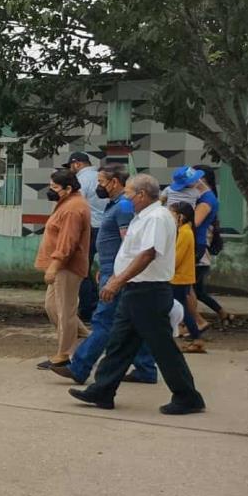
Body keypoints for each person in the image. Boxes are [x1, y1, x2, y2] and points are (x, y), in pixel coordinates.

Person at [69, 174, 206, 415]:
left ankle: (188, 396)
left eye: (129, 194)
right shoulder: (142, 216)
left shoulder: (156, 217)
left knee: (163, 347)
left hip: (148, 291)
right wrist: (116, 276)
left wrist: (117, 281)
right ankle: (103, 390)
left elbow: (148, 254)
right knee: (120, 343)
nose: (127, 198)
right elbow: (132, 252)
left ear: (142, 195)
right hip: (135, 290)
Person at [55, 164, 158, 385]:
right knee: (133, 323)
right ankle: (146, 369)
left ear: (114, 182)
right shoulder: (116, 205)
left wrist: (116, 275)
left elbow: (128, 244)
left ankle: (79, 367)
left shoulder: (122, 207)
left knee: (103, 321)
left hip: (116, 275)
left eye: (101, 182)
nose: (98, 186)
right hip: (113, 269)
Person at [35, 168, 91, 369]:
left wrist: (54, 266)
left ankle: (64, 354)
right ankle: (87, 339)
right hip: (58, 266)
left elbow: (68, 243)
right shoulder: (66, 203)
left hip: (66, 267)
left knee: (65, 311)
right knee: (54, 308)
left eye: (55, 187)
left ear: (68, 188)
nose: (51, 191)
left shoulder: (72, 209)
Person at [65, 152, 108, 322]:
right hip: (106, 228)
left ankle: (88, 309)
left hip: (90, 228)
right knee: (107, 268)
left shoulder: (81, 181)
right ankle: (101, 306)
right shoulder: (101, 176)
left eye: (70, 166)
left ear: (76, 164)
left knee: (81, 269)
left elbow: (77, 206)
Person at [191, 165, 232, 327]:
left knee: (187, 290)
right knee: (196, 291)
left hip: (199, 250)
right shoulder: (206, 199)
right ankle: (221, 314)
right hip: (202, 250)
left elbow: (195, 223)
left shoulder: (206, 201)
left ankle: (195, 323)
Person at [168, 202, 205, 353]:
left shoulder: (185, 233)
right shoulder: (184, 231)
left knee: (181, 309)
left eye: (172, 214)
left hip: (178, 278)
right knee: (183, 309)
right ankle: (196, 338)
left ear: (180, 217)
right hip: (180, 277)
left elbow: (176, 258)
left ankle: (196, 338)